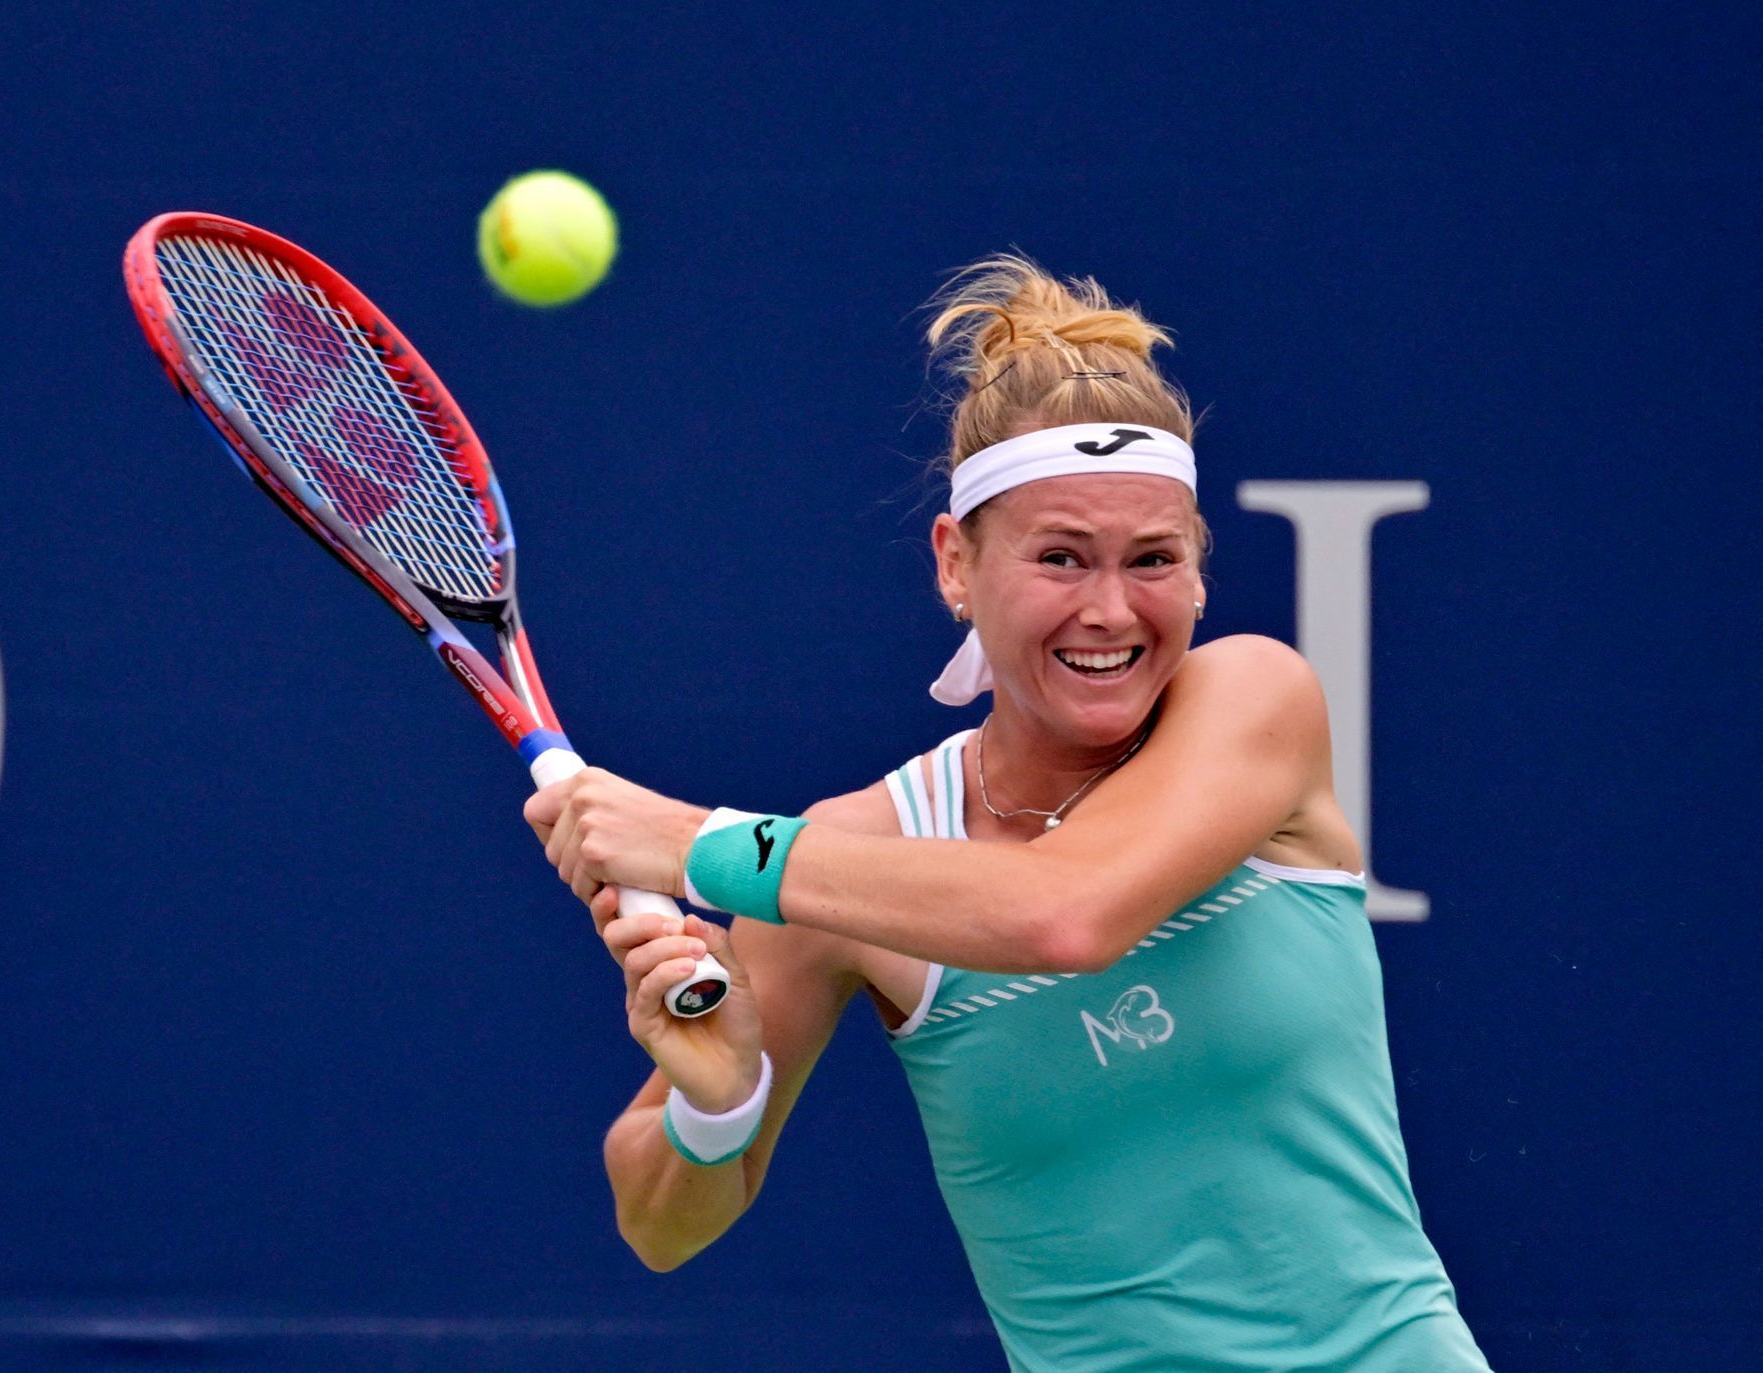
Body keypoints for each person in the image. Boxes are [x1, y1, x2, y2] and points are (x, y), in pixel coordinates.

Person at [524, 256, 1492, 1372]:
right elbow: (660, 1226)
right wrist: (715, 1106)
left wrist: (700, 844)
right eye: (1060, 558)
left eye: (1153, 561)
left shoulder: (1255, 699)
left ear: (1199, 573)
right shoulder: (847, 867)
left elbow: (1067, 915)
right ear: (955, 564)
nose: (1110, 609)